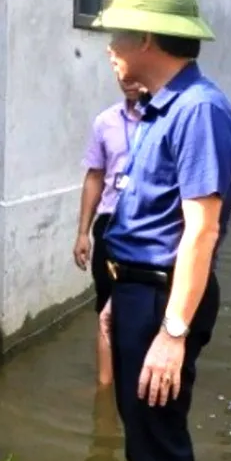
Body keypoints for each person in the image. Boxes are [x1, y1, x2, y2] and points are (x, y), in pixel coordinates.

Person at [94, 0, 231, 461]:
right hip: (139, 291)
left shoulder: (199, 110)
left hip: (164, 298)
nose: (111, 49)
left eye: (117, 37)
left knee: (157, 430)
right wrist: (118, 298)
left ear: (148, 38)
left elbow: (200, 230)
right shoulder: (158, 109)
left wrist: (173, 331)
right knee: (140, 424)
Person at [73, 77, 144, 389]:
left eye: (135, 73)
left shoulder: (165, 121)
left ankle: (140, 382)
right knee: (105, 306)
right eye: (120, 72)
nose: (127, 79)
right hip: (109, 224)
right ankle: (104, 394)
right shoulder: (105, 121)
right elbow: (95, 176)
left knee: (146, 305)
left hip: (147, 227)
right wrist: (83, 232)